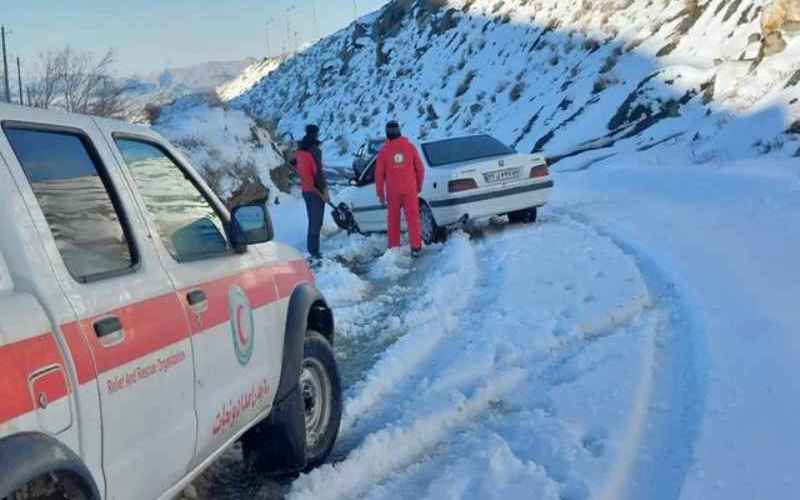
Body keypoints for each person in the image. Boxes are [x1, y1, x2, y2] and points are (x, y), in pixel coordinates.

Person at [375, 121, 425, 257]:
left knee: (393, 220)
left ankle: (394, 248)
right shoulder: (409, 147)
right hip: (410, 189)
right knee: (413, 218)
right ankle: (416, 247)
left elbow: (379, 175)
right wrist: (418, 186)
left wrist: (380, 194)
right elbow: (420, 168)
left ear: (387, 134)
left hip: (393, 191)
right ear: (400, 132)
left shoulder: (384, 151)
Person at [295, 124, 329, 261]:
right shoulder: (314, 151)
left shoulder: (300, 150)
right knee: (316, 221)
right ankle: (314, 252)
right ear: (316, 134)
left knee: (312, 220)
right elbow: (318, 174)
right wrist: (325, 191)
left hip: (306, 190)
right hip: (315, 191)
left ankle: (313, 249)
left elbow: (295, 163)